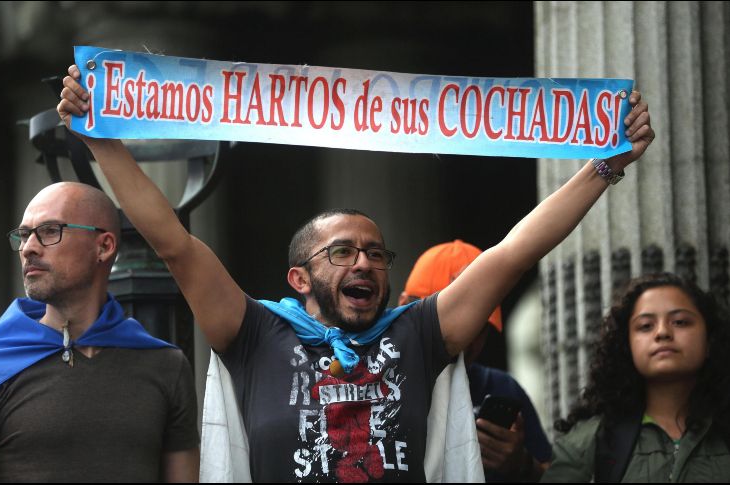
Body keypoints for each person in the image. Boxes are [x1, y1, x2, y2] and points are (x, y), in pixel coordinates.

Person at [58, 64, 654, 482]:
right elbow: (174, 244)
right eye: (341, 252)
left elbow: (513, 252)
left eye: (375, 252)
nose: (364, 261)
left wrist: (604, 166)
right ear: (299, 278)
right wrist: (99, 140)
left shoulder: (418, 333)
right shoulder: (255, 332)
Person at [0, 182, 200, 482]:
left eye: (49, 230)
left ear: (104, 246)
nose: (28, 248)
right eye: (23, 235)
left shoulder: (166, 366)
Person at [541, 273, 730, 482]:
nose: (662, 333)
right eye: (646, 326)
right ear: (626, 346)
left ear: (710, 340)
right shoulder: (591, 442)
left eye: (680, 322)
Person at [398, 240, 551, 482]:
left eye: (477, 324)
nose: (463, 339)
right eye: (445, 321)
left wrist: (521, 464)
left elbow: (554, 473)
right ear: (404, 306)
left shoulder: (501, 387)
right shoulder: (377, 383)